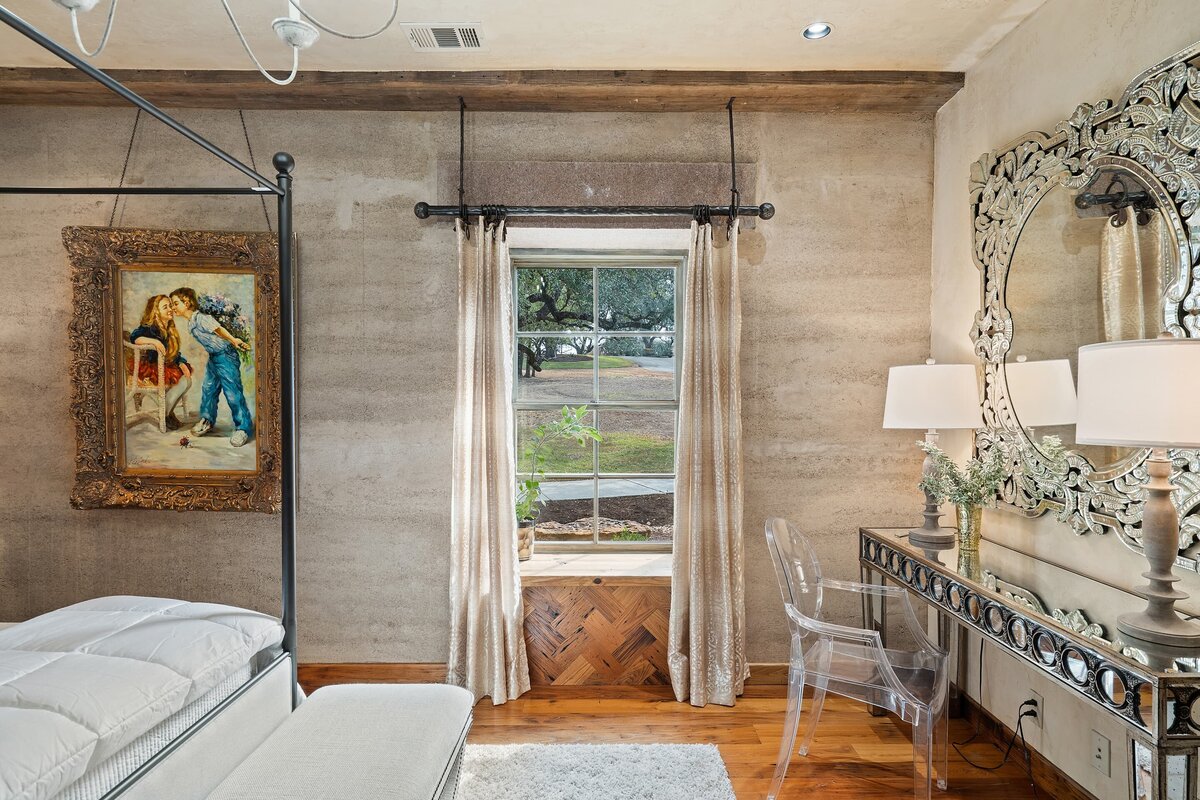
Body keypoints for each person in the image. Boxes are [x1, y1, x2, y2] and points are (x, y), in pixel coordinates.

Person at [169, 287, 254, 447]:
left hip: (226, 355)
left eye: (175, 303)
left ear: (187, 302)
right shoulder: (191, 323)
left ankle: (243, 427)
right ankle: (207, 420)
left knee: (232, 392)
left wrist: (233, 340)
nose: (173, 307)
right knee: (209, 388)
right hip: (214, 356)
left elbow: (218, 329)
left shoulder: (201, 318)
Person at [129, 294, 193, 431]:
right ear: (156, 311)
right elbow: (134, 337)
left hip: (164, 365)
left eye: (170, 305)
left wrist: (181, 362)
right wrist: (154, 341)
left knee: (187, 380)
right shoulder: (150, 327)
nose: (170, 309)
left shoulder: (169, 329)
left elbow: (174, 354)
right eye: (165, 307)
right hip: (151, 367)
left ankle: (166, 413)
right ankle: (165, 414)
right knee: (184, 381)